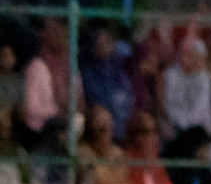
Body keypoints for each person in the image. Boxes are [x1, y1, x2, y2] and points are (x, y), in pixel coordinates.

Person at [19, 16, 71, 153]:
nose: (61, 37)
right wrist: (56, 111)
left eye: (63, 33)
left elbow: (77, 101)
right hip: (39, 129)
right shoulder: (36, 67)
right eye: (55, 32)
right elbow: (30, 108)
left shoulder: (69, 65)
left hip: (58, 123)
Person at [81, 25, 135, 141]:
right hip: (101, 131)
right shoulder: (88, 73)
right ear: (94, 47)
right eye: (100, 43)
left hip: (122, 130)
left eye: (107, 42)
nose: (105, 47)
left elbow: (128, 96)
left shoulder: (118, 70)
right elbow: (98, 99)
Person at [162, 35, 211, 140]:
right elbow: (169, 104)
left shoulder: (204, 79)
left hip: (198, 132)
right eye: (189, 55)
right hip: (173, 131)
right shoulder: (171, 75)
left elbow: (199, 111)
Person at [76, 104, 129, 184]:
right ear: (90, 131)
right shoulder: (82, 154)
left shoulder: (117, 153)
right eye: (101, 130)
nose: (106, 135)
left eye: (110, 129)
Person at [123, 111, 175, 184]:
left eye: (155, 132)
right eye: (146, 132)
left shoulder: (158, 166)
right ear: (135, 137)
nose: (153, 138)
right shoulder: (124, 165)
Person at [0, 41, 25, 122]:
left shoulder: (19, 79)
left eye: (9, 55)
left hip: (14, 118)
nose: (6, 59)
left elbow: (21, 104)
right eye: (3, 55)